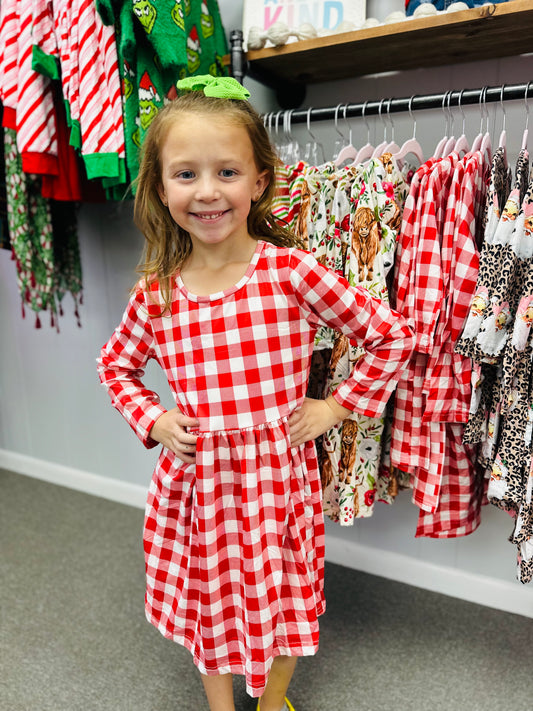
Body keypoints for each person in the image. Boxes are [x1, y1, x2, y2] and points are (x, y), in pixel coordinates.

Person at [97, 75, 415, 711]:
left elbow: (390, 336)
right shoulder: (157, 291)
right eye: (185, 174)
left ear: (259, 182)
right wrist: (154, 419)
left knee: (286, 595)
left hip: (276, 480)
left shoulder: (289, 273)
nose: (208, 191)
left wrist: (334, 406)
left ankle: (272, 703)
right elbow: (116, 368)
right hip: (200, 483)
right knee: (208, 600)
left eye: (227, 172)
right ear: (161, 188)